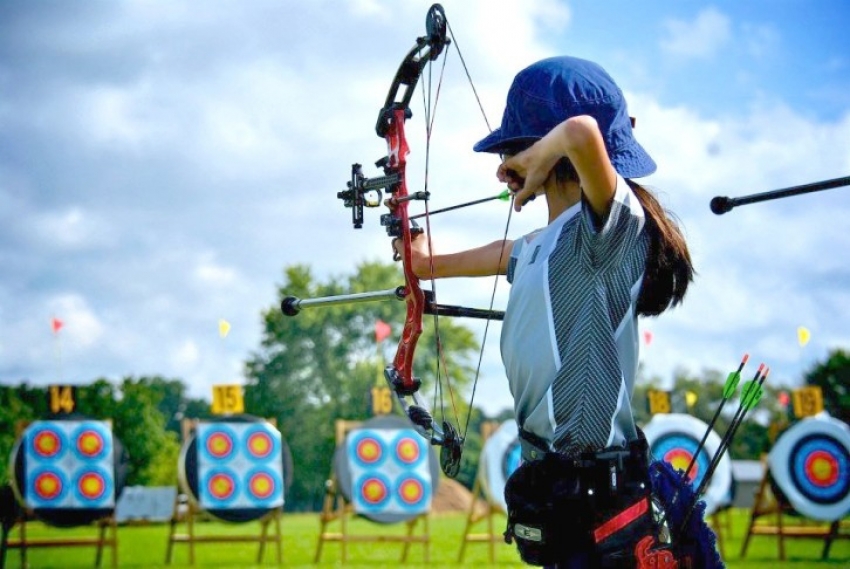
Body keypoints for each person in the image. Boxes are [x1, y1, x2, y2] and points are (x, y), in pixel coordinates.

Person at [394, 56, 720, 568]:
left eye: (513, 148)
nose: (504, 163)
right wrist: (421, 262)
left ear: (550, 152)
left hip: (605, 504)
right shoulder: (541, 244)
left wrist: (540, 156)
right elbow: (496, 254)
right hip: (557, 496)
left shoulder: (610, 231)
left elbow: (580, 130)